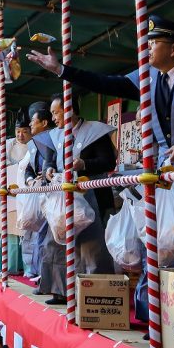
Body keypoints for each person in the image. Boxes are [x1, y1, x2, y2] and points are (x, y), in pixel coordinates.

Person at [28, 15, 174, 314]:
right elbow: (108, 82)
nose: (146, 49)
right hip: (168, 176)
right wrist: (61, 69)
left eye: (153, 43)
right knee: (168, 243)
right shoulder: (149, 80)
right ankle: (172, 315)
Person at [43, 93, 115, 275]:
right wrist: (49, 170)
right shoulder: (56, 136)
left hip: (93, 196)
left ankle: (94, 291)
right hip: (63, 198)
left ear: (70, 110)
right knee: (61, 244)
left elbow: (108, 162)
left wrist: (85, 164)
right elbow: (50, 161)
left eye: (55, 113)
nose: (53, 118)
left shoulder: (95, 131)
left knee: (93, 247)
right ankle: (61, 290)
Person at [25, 103, 64, 303]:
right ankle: (45, 282)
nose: (31, 125)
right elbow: (29, 168)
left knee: (51, 243)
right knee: (42, 242)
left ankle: (54, 286)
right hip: (44, 196)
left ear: (45, 122)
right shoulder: (34, 144)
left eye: (34, 121)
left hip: (59, 197)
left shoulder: (58, 137)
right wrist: (32, 178)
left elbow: (52, 161)